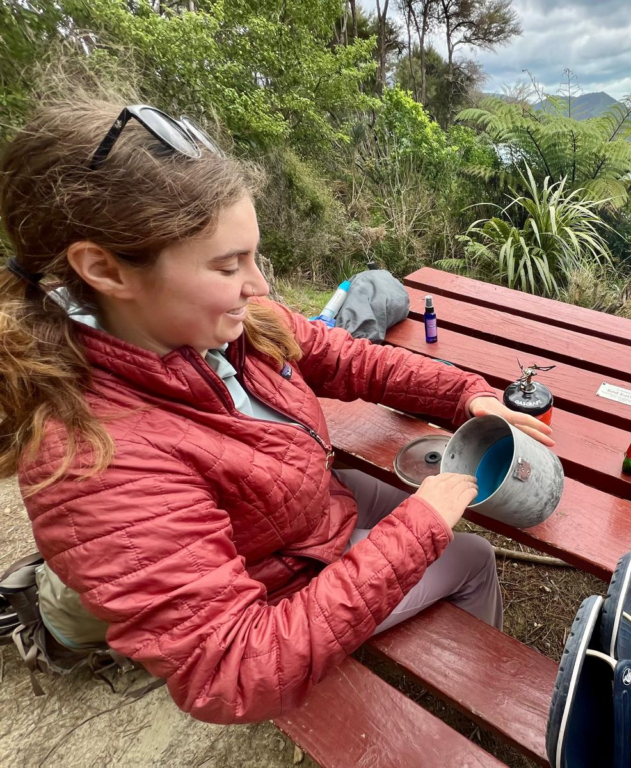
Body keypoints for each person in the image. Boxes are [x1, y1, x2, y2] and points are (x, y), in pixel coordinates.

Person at [0, 99, 554, 723]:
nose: (259, 285)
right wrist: (418, 530)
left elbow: (349, 358)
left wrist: (463, 396)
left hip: (303, 509)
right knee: (469, 555)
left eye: (254, 256)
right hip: (281, 581)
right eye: (228, 264)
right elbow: (231, 671)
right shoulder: (93, 460)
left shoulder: (223, 325)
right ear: (103, 269)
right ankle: (463, 714)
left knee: (435, 508)